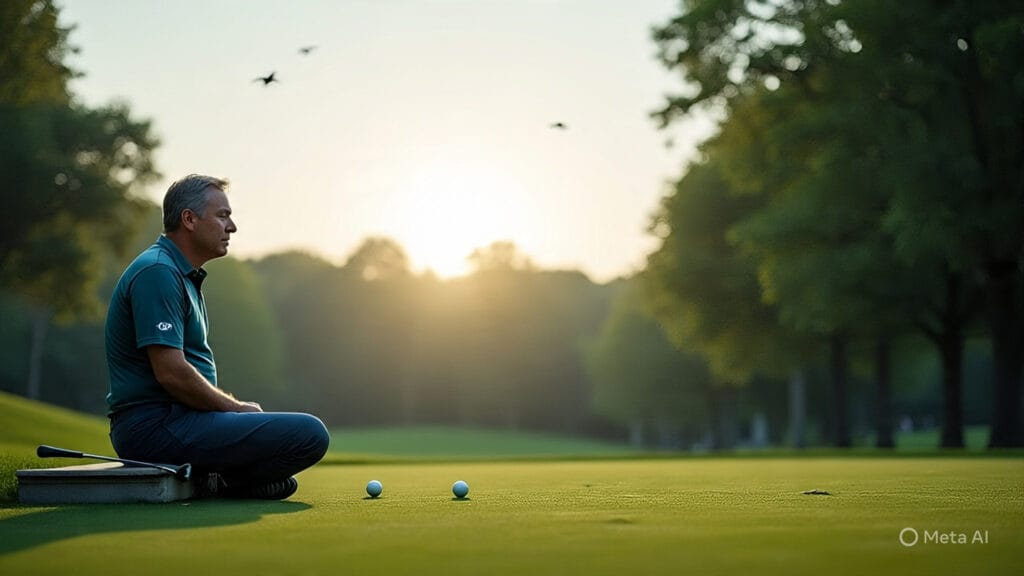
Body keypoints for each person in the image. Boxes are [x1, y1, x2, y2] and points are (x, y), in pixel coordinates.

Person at [105, 174, 330, 499]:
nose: (232, 227)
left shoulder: (180, 274)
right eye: (222, 215)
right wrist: (236, 409)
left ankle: (224, 480)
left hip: (180, 421)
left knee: (296, 446)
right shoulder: (158, 272)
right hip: (154, 427)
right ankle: (224, 482)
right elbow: (170, 372)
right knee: (310, 433)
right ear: (189, 219)